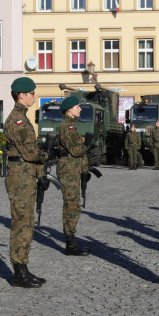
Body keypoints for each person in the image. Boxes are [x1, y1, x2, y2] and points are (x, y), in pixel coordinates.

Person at [3, 77, 48, 288]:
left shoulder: (24, 118)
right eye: (32, 93)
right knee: (21, 223)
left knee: (27, 223)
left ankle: (23, 268)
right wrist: (46, 155)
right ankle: (19, 272)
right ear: (21, 95)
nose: (34, 96)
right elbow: (30, 152)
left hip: (25, 174)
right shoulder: (17, 120)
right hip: (20, 176)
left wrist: (40, 172)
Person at [56, 96, 90, 256]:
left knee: (74, 205)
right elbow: (76, 151)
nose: (80, 109)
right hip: (68, 170)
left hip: (73, 169)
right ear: (69, 109)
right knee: (71, 205)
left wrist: (84, 169)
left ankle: (72, 239)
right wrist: (87, 145)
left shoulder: (71, 126)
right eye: (77, 107)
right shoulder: (66, 127)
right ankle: (70, 243)